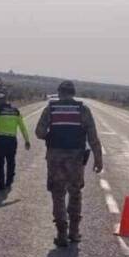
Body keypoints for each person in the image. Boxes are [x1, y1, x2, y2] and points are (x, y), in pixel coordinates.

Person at [34, 81, 104, 247]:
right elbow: (92, 137)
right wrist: (98, 158)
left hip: (55, 157)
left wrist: (52, 135)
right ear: (73, 93)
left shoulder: (50, 109)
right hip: (76, 158)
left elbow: (39, 133)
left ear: (59, 93)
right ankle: (74, 232)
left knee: (58, 194)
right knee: (75, 193)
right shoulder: (83, 110)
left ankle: (61, 234)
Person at [0, 93, 31, 191]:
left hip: (1, 140)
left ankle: (1, 184)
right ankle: (9, 181)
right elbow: (22, 126)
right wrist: (27, 140)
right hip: (12, 140)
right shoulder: (15, 111)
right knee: (11, 161)